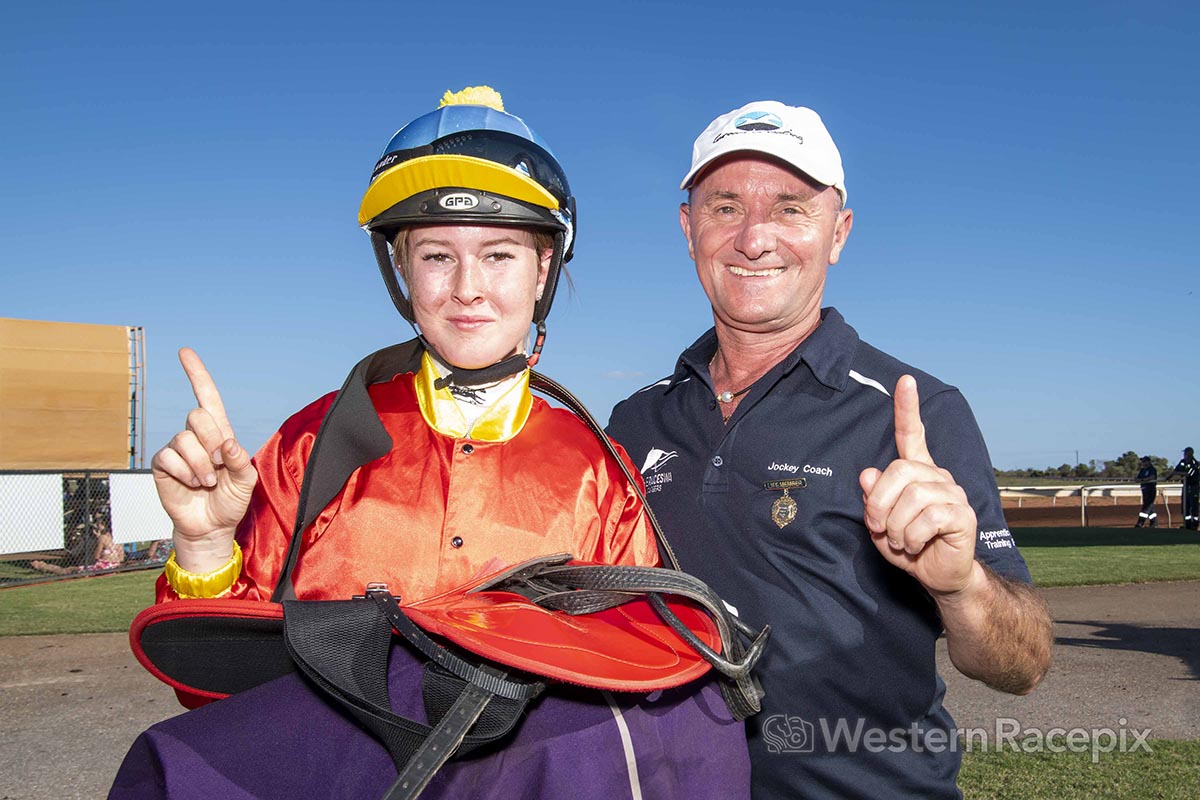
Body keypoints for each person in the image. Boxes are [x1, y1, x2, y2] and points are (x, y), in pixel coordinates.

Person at [110, 88, 750, 799]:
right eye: (438, 255)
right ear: (401, 270)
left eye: (499, 254)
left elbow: (630, 720)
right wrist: (203, 549)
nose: (467, 289)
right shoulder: (312, 443)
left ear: (543, 270)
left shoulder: (598, 470)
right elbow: (213, 701)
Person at [607, 100, 1054, 799]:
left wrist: (960, 584)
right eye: (724, 207)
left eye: (790, 208)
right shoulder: (634, 422)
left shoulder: (916, 410)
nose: (755, 238)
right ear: (687, 227)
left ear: (838, 233)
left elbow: (1022, 665)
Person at [31, 521, 124, 574]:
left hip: (103, 567)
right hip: (115, 565)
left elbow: (96, 556)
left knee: (68, 570)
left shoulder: (102, 538)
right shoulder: (117, 539)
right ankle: (42, 565)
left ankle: (42, 566)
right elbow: (121, 557)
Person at [1167, 447, 1200, 529]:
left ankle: (1195, 524)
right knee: (1185, 506)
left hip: (1193, 487)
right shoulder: (1182, 462)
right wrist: (1168, 477)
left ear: (1189, 453)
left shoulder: (1195, 463)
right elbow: (1175, 470)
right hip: (1185, 487)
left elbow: (1188, 474)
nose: (1184, 455)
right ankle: (1187, 524)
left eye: (1185, 453)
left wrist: (1178, 473)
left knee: (1194, 505)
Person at [1135, 456, 1158, 528]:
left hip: (1150, 489)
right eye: (1142, 461)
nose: (1143, 463)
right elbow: (1137, 479)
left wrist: (1143, 480)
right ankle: (1154, 523)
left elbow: (1152, 477)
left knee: (1147, 506)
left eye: (1144, 461)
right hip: (1144, 489)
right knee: (1150, 506)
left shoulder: (1152, 469)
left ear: (1148, 461)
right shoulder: (1142, 470)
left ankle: (1140, 523)